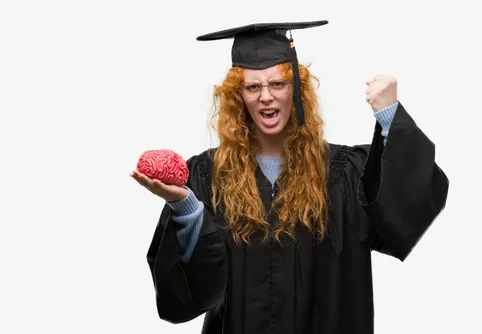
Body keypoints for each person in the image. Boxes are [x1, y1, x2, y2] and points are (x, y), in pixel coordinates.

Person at [131, 20, 449, 334]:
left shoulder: (344, 172)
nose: (266, 96)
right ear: (237, 97)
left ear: (295, 88)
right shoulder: (210, 177)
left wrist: (389, 114)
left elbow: (404, 215)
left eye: (278, 84)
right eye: (253, 87)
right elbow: (184, 298)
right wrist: (186, 206)